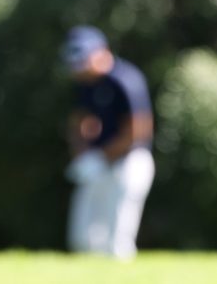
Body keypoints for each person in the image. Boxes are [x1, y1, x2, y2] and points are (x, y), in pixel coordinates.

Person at [60, 26, 154, 259]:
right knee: (82, 239)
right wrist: (81, 152)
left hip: (130, 160)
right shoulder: (87, 83)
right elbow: (80, 121)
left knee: (116, 240)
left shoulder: (125, 80)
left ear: (101, 52)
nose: (79, 68)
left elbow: (138, 131)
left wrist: (100, 157)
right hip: (101, 161)